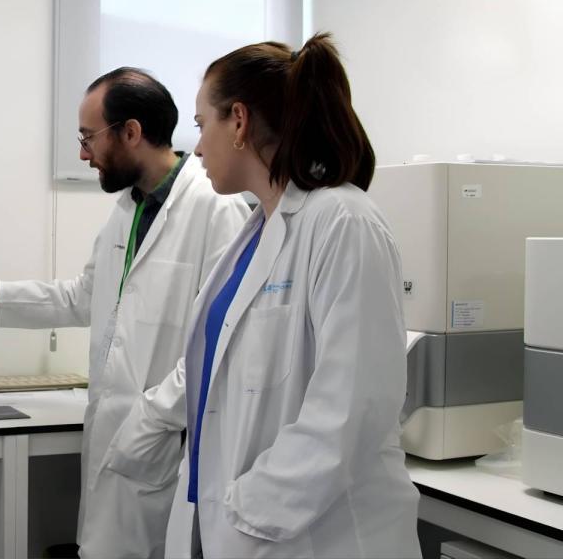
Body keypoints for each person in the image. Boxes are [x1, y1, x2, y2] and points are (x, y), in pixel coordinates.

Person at [101, 34, 422, 558]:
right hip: (238, 524)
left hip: (318, 537)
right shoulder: (257, 231)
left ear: (239, 122)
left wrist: (248, 508)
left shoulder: (344, 221)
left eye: (202, 125)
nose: (196, 148)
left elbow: (352, 409)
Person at [0, 68, 249, 558]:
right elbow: (86, 296)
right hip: (117, 439)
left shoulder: (216, 210)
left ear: (130, 132)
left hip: (162, 447)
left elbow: (218, 344)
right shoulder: (130, 207)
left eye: (88, 138)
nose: (83, 154)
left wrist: (149, 418)